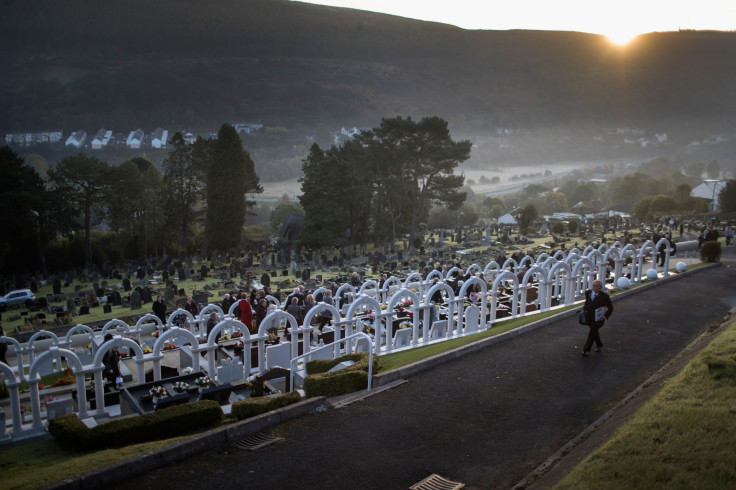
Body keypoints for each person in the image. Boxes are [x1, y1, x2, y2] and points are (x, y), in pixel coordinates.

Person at [581, 279, 614, 356]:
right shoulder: (588, 293)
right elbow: (587, 303)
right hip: (589, 318)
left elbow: (610, 308)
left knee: (592, 332)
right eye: (593, 286)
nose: (595, 288)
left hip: (599, 319)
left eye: (597, 286)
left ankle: (586, 350)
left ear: (601, 287)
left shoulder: (604, 296)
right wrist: (584, 310)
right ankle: (599, 344)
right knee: (594, 332)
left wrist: (604, 316)